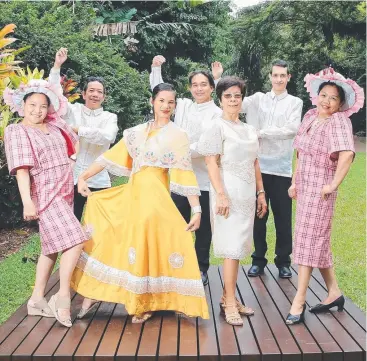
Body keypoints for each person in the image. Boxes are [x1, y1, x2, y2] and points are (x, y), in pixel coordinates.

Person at [70, 83, 209, 323]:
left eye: (171, 102)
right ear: (152, 102)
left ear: (175, 106)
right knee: (112, 237)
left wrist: (196, 209)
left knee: (150, 244)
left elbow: (185, 173)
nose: (166, 106)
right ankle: (95, 291)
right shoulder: (135, 133)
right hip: (132, 194)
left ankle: (146, 302)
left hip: (156, 198)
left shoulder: (178, 136)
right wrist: (83, 176)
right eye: (162, 101)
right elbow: (108, 157)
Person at [3, 80, 89, 328]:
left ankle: (36, 299)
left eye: (43, 106)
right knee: (76, 239)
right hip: (45, 192)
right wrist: (28, 202)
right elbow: (22, 170)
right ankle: (62, 296)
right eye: (32, 105)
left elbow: (75, 141)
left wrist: (72, 165)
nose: (37, 111)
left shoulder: (55, 124)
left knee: (51, 246)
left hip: (65, 189)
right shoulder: (17, 131)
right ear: (22, 105)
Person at [285, 67, 364, 325]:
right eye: (324, 95)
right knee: (315, 241)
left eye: (333, 98)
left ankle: (299, 298)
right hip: (305, 185)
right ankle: (334, 292)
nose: (327, 101)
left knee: (309, 241)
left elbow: (347, 154)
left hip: (321, 189)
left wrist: (332, 184)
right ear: (316, 95)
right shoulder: (309, 116)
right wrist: (295, 181)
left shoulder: (339, 121)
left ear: (341, 104)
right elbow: (300, 152)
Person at [214, 60, 303, 278]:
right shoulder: (257, 100)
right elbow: (231, 102)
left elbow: (292, 129)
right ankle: (258, 259)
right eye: (275, 75)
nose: (279, 79)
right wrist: (217, 78)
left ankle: (283, 261)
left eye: (283, 75)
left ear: (289, 77)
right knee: (258, 218)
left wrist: (260, 132)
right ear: (270, 76)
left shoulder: (295, 102)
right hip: (256, 166)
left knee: (283, 219)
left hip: (281, 168)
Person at [197, 76, 267, 326]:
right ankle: (228, 302)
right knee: (231, 247)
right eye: (228, 96)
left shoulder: (249, 129)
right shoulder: (216, 127)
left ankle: (230, 296)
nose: (234, 100)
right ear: (220, 99)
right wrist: (221, 194)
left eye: (237, 95)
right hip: (226, 194)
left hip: (248, 195)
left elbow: (255, 162)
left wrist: (261, 193)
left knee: (238, 250)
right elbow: (210, 163)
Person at [150, 55, 222, 285]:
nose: (199, 88)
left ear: (212, 87)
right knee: (176, 224)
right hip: (179, 179)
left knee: (204, 229)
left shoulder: (217, 114)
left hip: (204, 178)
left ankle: (201, 268)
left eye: (203, 84)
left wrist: (178, 151)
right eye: (194, 85)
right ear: (190, 88)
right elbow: (160, 94)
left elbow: (207, 146)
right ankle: (176, 264)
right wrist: (156, 68)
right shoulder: (184, 106)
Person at [49, 48, 118, 221]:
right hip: (72, 178)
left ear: (104, 97)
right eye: (92, 90)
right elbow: (55, 94)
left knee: (101, 226)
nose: (95, 94)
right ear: (84, 93)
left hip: (100, 179)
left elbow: (107, 137)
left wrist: (77, 130)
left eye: (99, 92)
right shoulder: (73, 111)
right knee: (72, 223)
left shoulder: (110, 117)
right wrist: (57, 66)